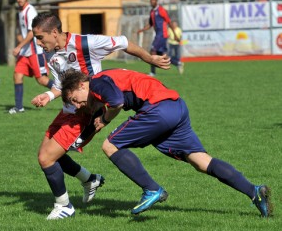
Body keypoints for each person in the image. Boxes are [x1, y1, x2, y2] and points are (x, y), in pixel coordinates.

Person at [60, 68, 273, 218]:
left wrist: (105, 119)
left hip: (158, 108)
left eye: (74, 99)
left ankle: (151, 189)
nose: (77, 104)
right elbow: (115, 99)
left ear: (81, 85)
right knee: (201, 161)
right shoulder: (106, 79)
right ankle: (254, 191)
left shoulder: (97, 82)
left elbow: (116, 102)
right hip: (176, 106)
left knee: (110, 145)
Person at [29, 12, 171, 220]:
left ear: (54, 32)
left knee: (47, 158)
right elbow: (61, 84)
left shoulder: (86, 43)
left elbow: (123, 42)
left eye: (40, 37)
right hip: (67, 109)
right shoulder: (50, 52)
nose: (39, 43)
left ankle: (64, 206)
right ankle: (90, 179)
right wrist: (49, 95)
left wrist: (149, 58)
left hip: (84, 112)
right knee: (46, 155)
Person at [8, 0, 54, 114]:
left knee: (42, 80)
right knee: (17, 75)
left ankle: (67, 91)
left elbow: (32, 33)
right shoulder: (21, 11)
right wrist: (20, 41)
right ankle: (19, 107)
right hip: (26, 52)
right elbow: (22, 32)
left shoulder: (30, 11)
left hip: (34, 50)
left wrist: (19, 46)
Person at [137, 0, 174, 77]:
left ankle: (152, 72)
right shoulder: (152, 12)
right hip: (158, 35)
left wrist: (174, 34)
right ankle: (177, 62)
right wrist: (142, 30)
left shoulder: (161, 10)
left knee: (152, 50)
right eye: (151, 0)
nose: (152, 1)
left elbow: (169, 21)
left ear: (156, 1)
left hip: (162, 34)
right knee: (162, 54)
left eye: (153, 0)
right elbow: (150, 24)